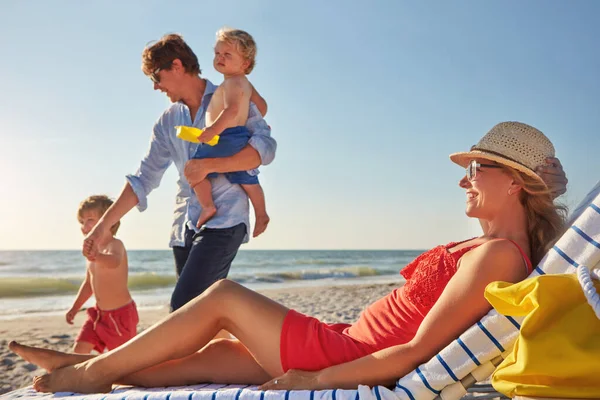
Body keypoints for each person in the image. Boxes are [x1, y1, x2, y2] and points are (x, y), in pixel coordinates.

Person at [9, 121, 568, 393]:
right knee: (206, 358)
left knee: (224, 297)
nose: (464, 181)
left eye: (476, 170)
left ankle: (93, 371)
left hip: (343, 353)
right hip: (341, 335)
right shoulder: (490, 248)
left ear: (515, 183)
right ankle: (87, 369)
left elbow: (413, 351)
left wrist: (311, 379)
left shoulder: (498, 255)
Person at [81, 33, 277, 312]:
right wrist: (101, 228)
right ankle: (221, 353)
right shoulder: (168, 121)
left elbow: (265, 148)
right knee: (200, 316)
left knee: (182, 308)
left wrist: (209, 165)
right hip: (184, 226)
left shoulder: (233, 92)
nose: (155, 87)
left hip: (225, 220)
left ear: (176, 66)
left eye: (156, 78)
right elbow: (144, 178)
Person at [189, 28, 269, 236]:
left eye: (227, 55)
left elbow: (231, 110)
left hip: (224, 137)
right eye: (217, 53)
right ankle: (261, 213)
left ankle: (207, 206)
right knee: (246, 178)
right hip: (237, 136)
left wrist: (211, 130)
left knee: (193, 169)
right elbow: (262, 106)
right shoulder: (244, 83)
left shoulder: (233, 83)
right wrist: (257, 124)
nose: (220, 58)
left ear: (245, 64)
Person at [68, 195, 138, 354]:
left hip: (120, 316)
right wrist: (75, 307)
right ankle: (79, 378)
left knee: (124, 359)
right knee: (79, 349)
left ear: (109, 221)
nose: (84, 225)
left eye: (90, 219)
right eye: (82, 222)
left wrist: (96, 257)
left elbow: (114, 261)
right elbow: (88, 284)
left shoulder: (115, 244)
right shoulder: (92, 252)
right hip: (98, 315)